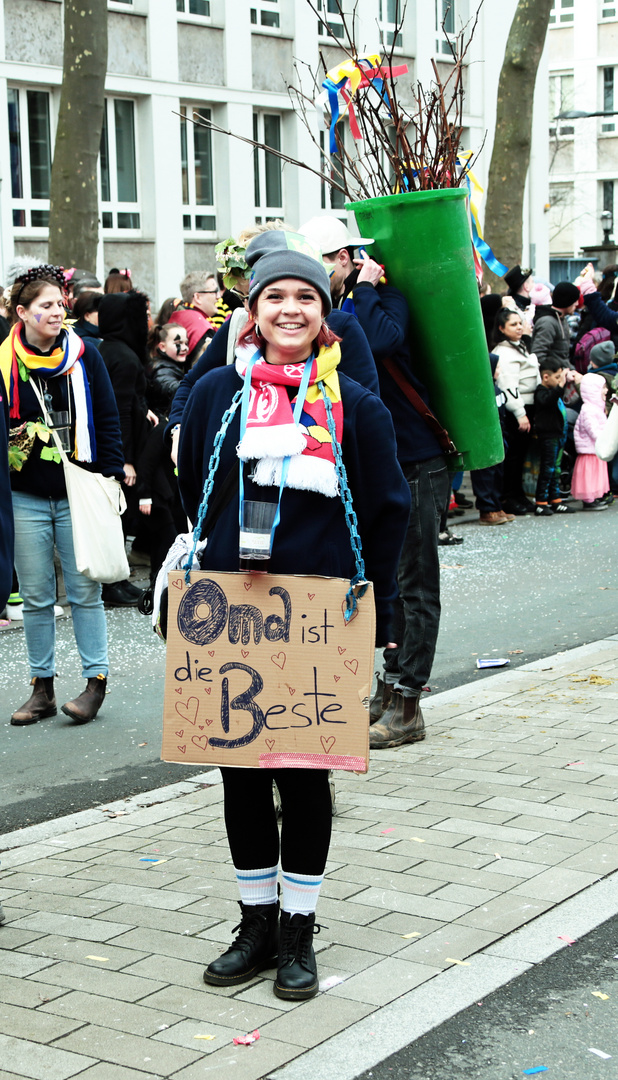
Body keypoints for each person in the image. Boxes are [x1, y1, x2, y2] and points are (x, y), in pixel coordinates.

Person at [178, 232, 409, 1001]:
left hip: (316, 618)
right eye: (274, 295)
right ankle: (255, 923)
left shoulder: (354, 404)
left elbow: (387, 511)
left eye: (305, 296)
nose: (289, 307)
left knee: (305, 782)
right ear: (252, 311)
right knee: (241, 778)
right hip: (231, 619)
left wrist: (380, 612)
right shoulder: (217, 395)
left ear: (324, 313)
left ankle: (299, 931)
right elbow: (194, 492)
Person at [298, 215, 450, 750]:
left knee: (416, 582)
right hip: (376, 463)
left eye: (323, 262)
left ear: (345, 259)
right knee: (386, 579)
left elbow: (382, 341)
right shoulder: (329, 313)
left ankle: (409, 701)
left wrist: (364, 288)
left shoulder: (384, 302)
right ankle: (388, 688)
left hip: (417, 457)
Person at [0, 264, 124, 724]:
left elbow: (108, 418)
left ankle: (96, 683)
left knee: (84, 591)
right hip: (24, 494)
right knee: (35, 597)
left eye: (60, 303)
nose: (58, 312)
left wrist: (109, 477)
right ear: (22, 313)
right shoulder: (3, 361)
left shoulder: (85, 355)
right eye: (46, 306)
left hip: (80, 491)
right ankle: (42, 688)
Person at [98, 289, 154, 604]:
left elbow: (125, 402)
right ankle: (113, 584)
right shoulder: (124, 356)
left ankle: (118, 580)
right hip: (118, 455)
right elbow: (117, 412)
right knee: (115, 518)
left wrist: (140, 406)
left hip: (113, 451)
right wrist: (125, 460)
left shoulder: (107, 350)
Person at [493, 308, 540, 515]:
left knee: (520, 455)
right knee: (513, 456)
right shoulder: (503, 352)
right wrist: (520, 413)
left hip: (529, 405)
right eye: (513, 324)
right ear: (502, 328)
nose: (519, 327)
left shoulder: (520, 346)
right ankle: (509, 496)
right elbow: (509, 384)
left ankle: (518, 494)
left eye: (520, 323)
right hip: (517, 409)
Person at [533, 357, 577, 516]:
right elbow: (547, 401)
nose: (560, 381)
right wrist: (560, 385)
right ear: (546, 377)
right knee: (548, 468)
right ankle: (541, 501)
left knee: (556, 469)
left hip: (558, 435)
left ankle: (555, 500)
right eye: (557, 377)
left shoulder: (553, 391)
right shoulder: (541, 392)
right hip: (548, 435)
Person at [571, 372, 610, 510]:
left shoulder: (596, 408)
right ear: (594, 390)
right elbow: (592, 430)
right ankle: (588, 499)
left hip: (595, 449)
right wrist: (605, 438)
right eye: (603, 387)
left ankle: (594, 496)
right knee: (589, 476)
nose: (606, 390)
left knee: (595, 475)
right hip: (589, 449)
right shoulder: (589, 409)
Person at [168, 271, 218, 365]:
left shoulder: (178, 316)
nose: (218, 296)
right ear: (197, 297)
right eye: (214, 292)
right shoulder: (201, 327)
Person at [531, 282, 580, 368]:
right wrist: (557, 373)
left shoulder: (561, 318)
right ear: (567, 300)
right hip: (553, 376)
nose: (577, 304)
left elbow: (562, 356)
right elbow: (538, 355)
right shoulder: (548, 322)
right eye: (574, 300)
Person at [147, 323, 189, 418]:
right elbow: (168, 385)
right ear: (162, 347)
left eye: (186, 343)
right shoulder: (162, 369)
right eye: (178, 344)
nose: (184, 348)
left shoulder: (173, 365)